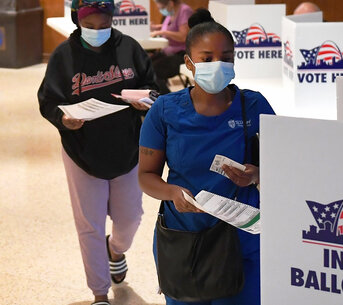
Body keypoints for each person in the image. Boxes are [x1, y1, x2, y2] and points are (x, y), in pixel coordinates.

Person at [138, 8, 275, 305]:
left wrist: (257, 174)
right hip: (185, 240)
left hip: (243, 241)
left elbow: (284, 163)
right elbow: (146, 177)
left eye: (226, 58)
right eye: (207, 58)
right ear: (188, 63)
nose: (218, 65)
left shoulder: (254, 106)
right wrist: (173, 192)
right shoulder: (165, 111)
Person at [37, 1, 157, 304]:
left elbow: (154, 88)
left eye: (104, 26)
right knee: (89, 225)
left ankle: (115, 249)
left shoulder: (129, 48)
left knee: (130, 219)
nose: (97, 32)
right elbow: (48, 100)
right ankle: (100, 293)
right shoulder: (64, 56)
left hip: (128, 149)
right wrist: (64, 120)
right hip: (82, 152)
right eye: (90, 27)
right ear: (78, 20)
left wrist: (144, 100)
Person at [149, 0, 194, 94]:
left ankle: (166, 98)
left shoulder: (184, 11)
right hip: (168, 52)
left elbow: (183, 36)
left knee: (153, 71)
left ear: (170, 3)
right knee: (146, 65)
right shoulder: (172, 12)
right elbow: (171, 27)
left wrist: (162, 32)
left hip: (182, 55)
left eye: (161, 8)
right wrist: (156, 27)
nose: (160, 10)